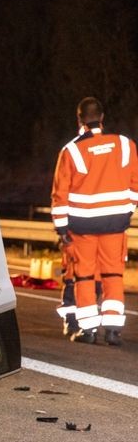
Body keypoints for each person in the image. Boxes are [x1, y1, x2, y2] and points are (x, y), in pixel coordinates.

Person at [50, 96, 137, 345]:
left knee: (85, 277)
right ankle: (113, 329)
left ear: (79, 119)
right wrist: (126, 210)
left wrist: (61, 227)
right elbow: (135, 186)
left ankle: (88, 331)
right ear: (102, 117)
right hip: (114, 224)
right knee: (113, 275)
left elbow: (60, 194)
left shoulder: (71, 150)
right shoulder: (124, 144)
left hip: (83, 227)